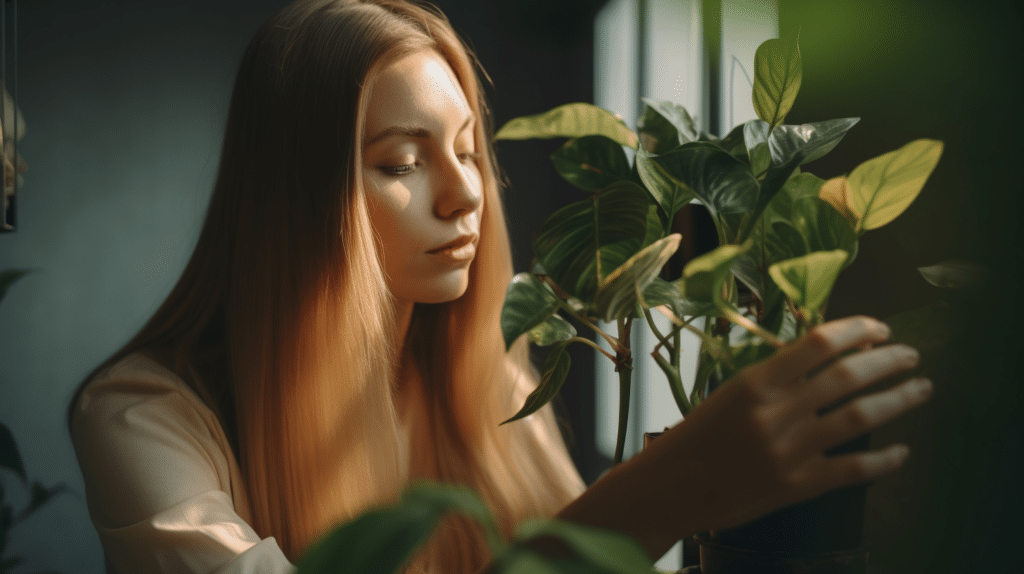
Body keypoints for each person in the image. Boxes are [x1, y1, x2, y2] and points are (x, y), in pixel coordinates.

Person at [66, 1, 932, 573]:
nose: (464, 192)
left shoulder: (491, 372)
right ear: (293, 195)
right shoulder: (145, 415)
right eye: (402, 162)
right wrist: (673, 485)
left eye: (469, 149)